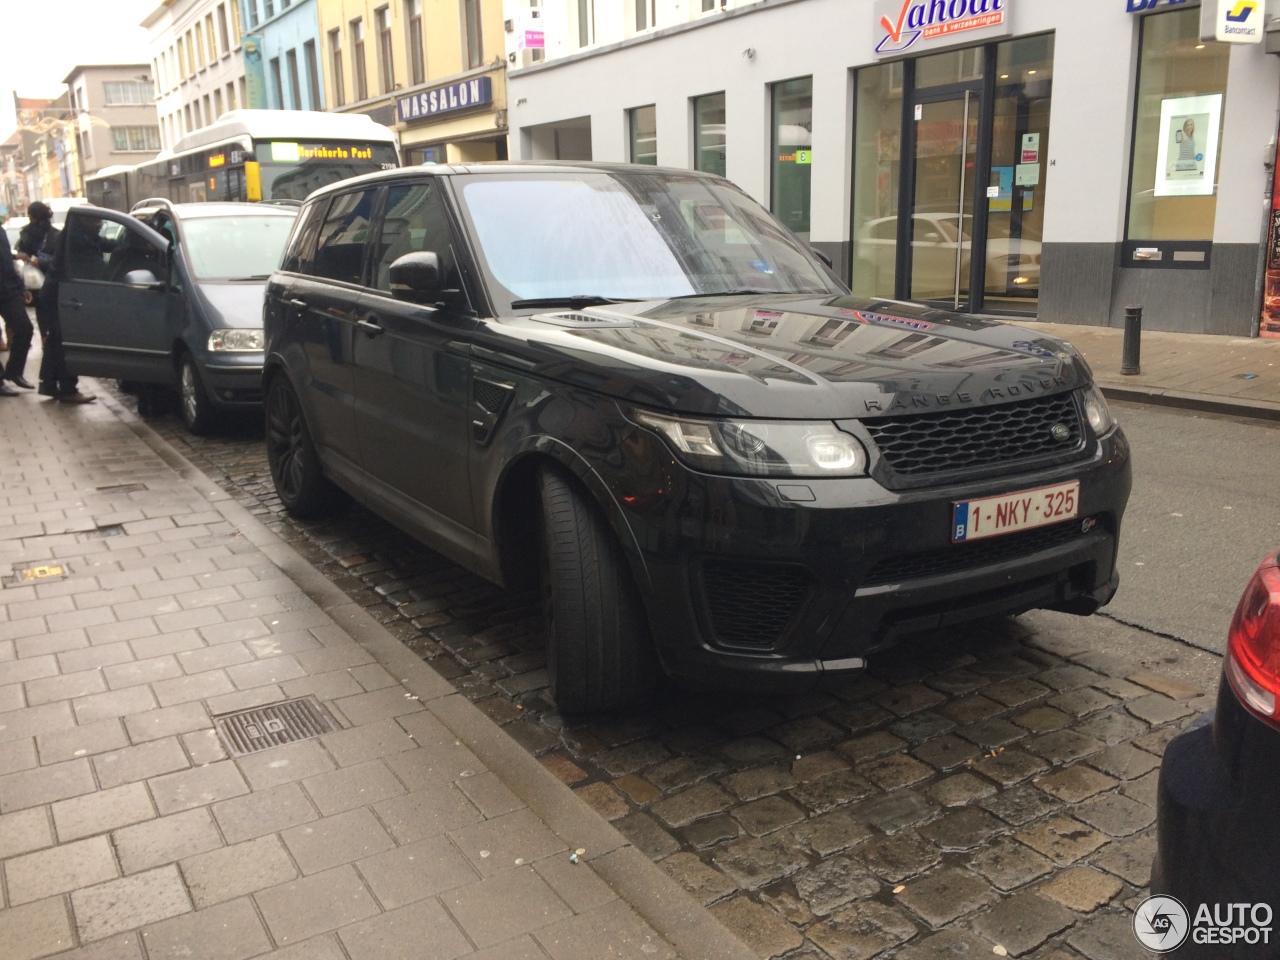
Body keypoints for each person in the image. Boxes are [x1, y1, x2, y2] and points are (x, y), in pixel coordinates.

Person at [35, 214, 96, 403]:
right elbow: (95, 258)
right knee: (62, 341)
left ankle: (49, 384)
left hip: (56, 292)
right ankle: (68, 389)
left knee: (55, 341)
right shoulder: (78, 238)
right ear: (85, 220)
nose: (100, 224)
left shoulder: (71, 234)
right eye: (97, 220)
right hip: (60, 295)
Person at [0, 223, 30, 395]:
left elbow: (7, 263)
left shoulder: (1, 231)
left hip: (8, 290)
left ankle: (13, 371)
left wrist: (21, 288)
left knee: (25, 328)